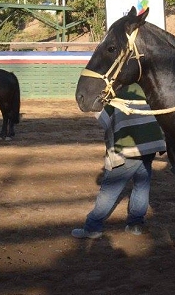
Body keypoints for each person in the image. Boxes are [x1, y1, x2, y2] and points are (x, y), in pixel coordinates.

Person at [71, 84, 166, 239]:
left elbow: (103, 120)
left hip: (129, 149)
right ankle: (135, 224)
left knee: (109, 190)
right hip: (150, 147)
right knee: (141, 185)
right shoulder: (148, 89)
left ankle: (92, 227)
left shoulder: (117, 92)